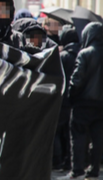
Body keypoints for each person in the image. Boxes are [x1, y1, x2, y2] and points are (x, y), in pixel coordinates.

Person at [66, 23, 103, 180]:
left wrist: (71, 96)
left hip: (82, 103)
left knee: (78, 137)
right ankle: (94, 170)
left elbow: (77, 80)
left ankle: (78, 170)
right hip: (101, 105)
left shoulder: (85, 54)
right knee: (98, 138)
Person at [56, 25, 80, 172]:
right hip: (77, 100)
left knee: (57, 132)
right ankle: (70, 162)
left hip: (63, 100)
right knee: (71, 134)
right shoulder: (81, 53)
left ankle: (58, 161)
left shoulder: (63, 56)